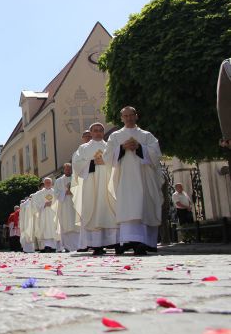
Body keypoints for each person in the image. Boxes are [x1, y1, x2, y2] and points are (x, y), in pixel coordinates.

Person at [105, 106, 163, 255]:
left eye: (131, 115)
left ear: (136, 116)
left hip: (143, 177)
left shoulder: (146, 135)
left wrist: (139, 148)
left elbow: (156, 155)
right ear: (121, 118)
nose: (129, 118)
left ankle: (144, 242)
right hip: (124, 178)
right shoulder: (115, 136)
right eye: (126, 116)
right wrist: (122, 148)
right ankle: (130, 240)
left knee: (143, 206)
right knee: (128, 206)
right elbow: (108, 157)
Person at [73, 122, 119, 255]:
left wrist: (106, 162)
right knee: (93, 212)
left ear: (103, 132)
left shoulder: (110, 147)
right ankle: (96, 245)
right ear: (91, 133)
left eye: (100, 130)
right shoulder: (83, 148)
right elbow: (76, 164)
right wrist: (92, 163)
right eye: (95, 130)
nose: (98, 132)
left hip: (108, 183)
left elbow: (117, 162)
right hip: (91, 184)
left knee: (111, 211)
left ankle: (115, 242)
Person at [55, 163, 80, 252]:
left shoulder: (76, 178)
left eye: (70, 169)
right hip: (64, 206)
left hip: (75, 205)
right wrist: (65, 193)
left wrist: (73, 192)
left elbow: (81, 190)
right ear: (64, 170)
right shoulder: (58, 181)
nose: (68, 171)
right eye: (67, 169)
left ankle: (78, 246)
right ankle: (67, 246)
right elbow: (56, 194)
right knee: (66, 225)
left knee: (76, 224)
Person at [32, 178, 60, 252]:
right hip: (43, 213)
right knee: (45, 228)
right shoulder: (39, 193)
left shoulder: (55, 192)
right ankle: (46, 246)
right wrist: (44, 204)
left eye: (49, 182)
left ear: (52, 183)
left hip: (53, 214)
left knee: (53, 229)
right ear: (44, 184)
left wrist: (53, 203)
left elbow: (59, 201)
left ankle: (53, 246)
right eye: (46, 182)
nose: (48, 184)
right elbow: (35, 202)